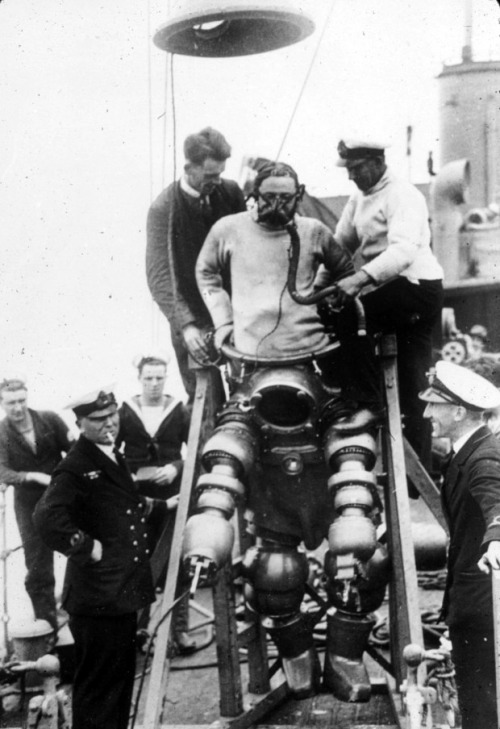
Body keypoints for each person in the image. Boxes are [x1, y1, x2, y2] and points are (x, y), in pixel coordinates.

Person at [33, 387, 168, 729]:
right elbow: (46, 518)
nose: (109, 424)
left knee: (118, 686)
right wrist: (85, 546)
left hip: (118, 594)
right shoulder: (76, 465)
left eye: (113, 415)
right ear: (80, 423)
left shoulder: (111, 454)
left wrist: (166, 505)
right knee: (99, 689)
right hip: (97, 598)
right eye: (98, 419)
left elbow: (121, 504)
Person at [321, 138, 444, 468]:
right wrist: (319, 286)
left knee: (350, 314)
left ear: (377, 162)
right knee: (414, 383)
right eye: (348, 170)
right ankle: (418, 474)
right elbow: (340, 245)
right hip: (393, 287)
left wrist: (358, 280)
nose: (351, 176)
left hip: (416, 286)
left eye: (356, 169)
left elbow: (403, 252)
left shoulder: (403, 195)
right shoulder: (359, 196)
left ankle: (366, 402)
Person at [420, 360, 500, 729]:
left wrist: (497, 539)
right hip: (471, 603)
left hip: (483, 608)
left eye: (432, 405)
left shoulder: (484, 457)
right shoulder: (463, 453)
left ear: (457, 410)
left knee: (483, 708)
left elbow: (495, 501)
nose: (425, 413)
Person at [146, 127, 246, 400]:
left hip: (236, 316)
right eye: (210, 175)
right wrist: (187, 326)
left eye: (221, 174)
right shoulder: (163, 209)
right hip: (193, 321)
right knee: (206, 403)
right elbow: (159, 277)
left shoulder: (231, 193)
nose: (217, 181)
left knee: (250, 395)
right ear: (189, 168)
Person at [116, 351, 196, 654]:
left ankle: (180, 632)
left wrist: (175, 466)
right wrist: (131, 475)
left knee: (178, 559)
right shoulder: (125, 411)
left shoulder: (179, 410)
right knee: (140, 561)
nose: (153, 384)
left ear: (166, 378)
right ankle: (140, 631)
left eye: (159, 378)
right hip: (138, 497)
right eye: (148, 378)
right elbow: (114, 451)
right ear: (139, 379)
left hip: (172, 494)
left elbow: (195, 446)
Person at [0, 377, 73, 632]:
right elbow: (2, 471)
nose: (18, 408)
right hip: (28, 504)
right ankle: (48, 628)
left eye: (21, 401)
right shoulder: (1, 432)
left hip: (61, 498)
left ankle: (82, 615)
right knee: (38, 567)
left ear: (27, 398)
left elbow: (74, 451)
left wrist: (65, 477)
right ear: (1, 404)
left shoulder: (49, 419)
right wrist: (30, 476)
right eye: (11, 403)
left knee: (80, 548)